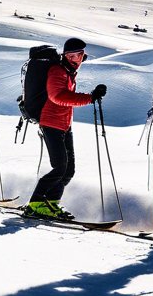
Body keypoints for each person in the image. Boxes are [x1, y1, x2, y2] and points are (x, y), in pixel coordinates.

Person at [25, 38, 106, 220]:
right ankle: (35, 203)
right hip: (51, 123)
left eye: (79, 55)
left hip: (63, 125)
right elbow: (57, 96)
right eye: (71, 55)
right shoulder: (57, 71)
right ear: (65, 55)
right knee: (59, 167)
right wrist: (89, 98)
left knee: (68, 170)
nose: (75, 59)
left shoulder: (69, 72)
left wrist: (91, 96)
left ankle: (51, 204)